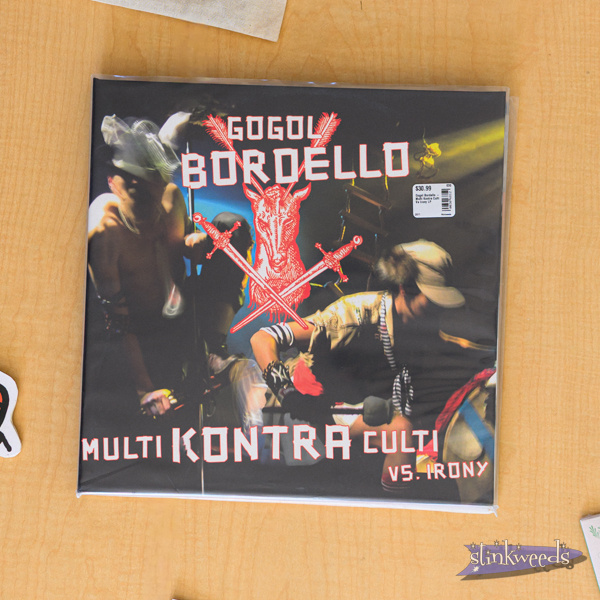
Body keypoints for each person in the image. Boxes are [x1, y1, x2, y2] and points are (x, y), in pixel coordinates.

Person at [251, 239, 492, 494]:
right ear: (406, 288)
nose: (438, 309)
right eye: (431, 299)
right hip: (309, 407)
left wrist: (491, 355)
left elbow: (450, 344)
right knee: (400, 432)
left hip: (355, 405)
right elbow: (263, 338)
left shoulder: (418, 325)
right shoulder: (353, 315)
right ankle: (397, 509)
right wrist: (288, 394)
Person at [87, 114, 253, 418]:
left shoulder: (171, 198)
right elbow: (118, 322)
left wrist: (195, 239)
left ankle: (214, 351)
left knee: (232, 225)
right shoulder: (104, 233)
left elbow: (186, 245)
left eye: (158, 190)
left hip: (185, 308)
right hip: (144, 331)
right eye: (141, 198)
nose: (154, 209)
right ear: (116, 184)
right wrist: (144, 388)